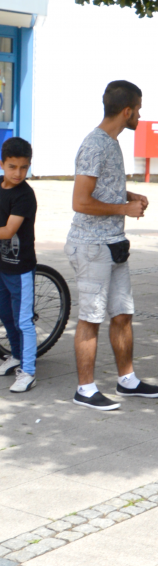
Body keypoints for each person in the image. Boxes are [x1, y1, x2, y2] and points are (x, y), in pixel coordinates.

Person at [66, 80, 158, 411]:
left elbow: (101, 190)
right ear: (127, 111)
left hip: (113, 243)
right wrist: (124, 208)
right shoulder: (95, 145)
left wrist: (128, 196)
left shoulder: (111, 142)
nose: (140, 114)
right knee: (91, 318)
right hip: (92, 246)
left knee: (123, 314)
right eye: (139, 108)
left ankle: (128, 381)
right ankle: (85, 389)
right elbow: (80, 201)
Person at [0, 137, 38, 393]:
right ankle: (15, 356)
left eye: (23, 167)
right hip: (2, 266)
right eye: (12, 167)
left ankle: (29, 370)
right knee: (6, 315)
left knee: (23, 321)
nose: (18, 173)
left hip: (20, 267)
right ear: (2, 164)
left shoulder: (25, 195)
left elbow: (9, 230)